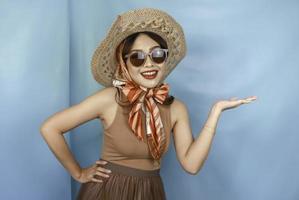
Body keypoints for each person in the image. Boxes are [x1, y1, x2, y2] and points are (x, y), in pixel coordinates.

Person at [40, 8, 257, 200]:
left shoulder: (175, 108)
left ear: (165, 59)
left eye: (157, 55)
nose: (149, 64)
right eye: (137, 58)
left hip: (151, 191)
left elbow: (191, 165)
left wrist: (215, 112)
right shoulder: (109, 99)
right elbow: (50, 128)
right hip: (109, 192)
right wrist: (78, 173)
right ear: (124, 64)